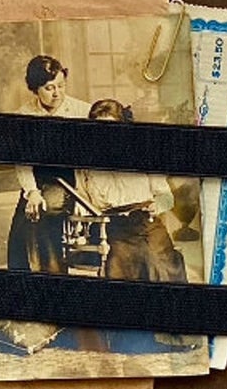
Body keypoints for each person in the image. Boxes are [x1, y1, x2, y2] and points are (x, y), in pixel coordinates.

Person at [76, 99, 188, 283]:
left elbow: (167, 198)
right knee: (123, 263)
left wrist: (156, 205)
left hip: (147, 222)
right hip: (111, 227)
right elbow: (82, 201)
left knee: (159, 262)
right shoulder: (85, 164)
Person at [6, 54, 90, 273]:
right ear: (35, 89)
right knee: (19, 231)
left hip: (70, 182)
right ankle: (24, 283)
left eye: (61, 86)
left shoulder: (83, 111)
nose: (57, 93)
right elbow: (22, 162)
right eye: (49, 88)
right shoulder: (24, 115)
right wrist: (32, 191)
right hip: (36, 181)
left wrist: (84, 194)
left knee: (44, 215)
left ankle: (51, 276)